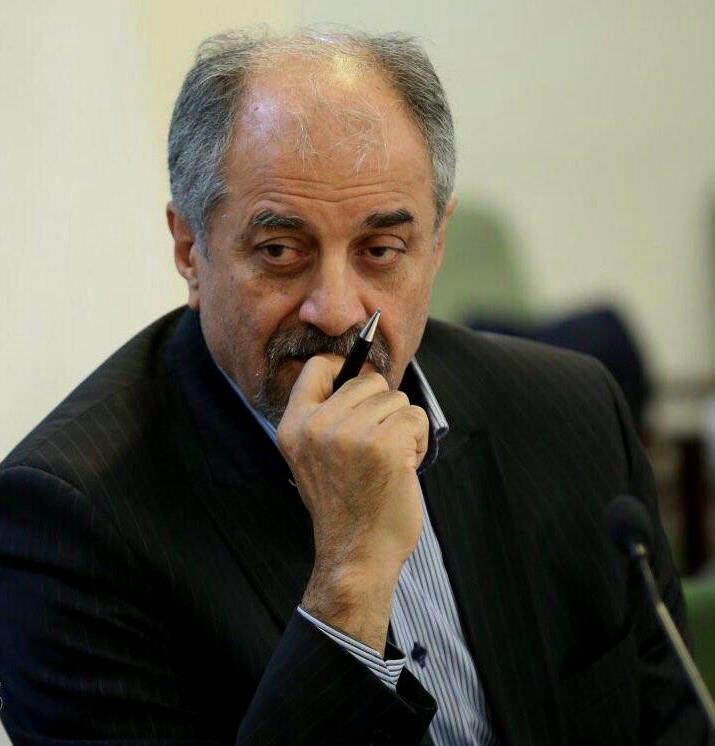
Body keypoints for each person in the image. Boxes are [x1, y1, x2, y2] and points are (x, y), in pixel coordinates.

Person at [0, 28, 710, 746]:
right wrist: (351, 579)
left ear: (436, 244)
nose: (337, 311)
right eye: (280, 251)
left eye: (380, 250)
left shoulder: (572, 413)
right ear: (189, 248)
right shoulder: (68, 522)